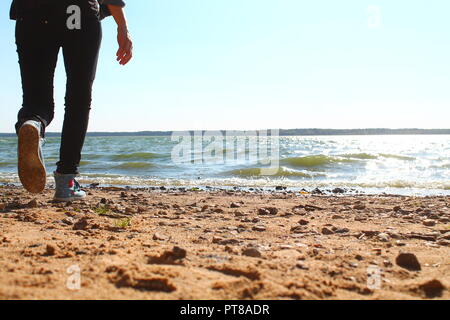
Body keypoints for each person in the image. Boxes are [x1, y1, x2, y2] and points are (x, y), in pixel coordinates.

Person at [10, 0, 133, 201]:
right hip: (80, 13)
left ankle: (32, 123)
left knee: (36, 98)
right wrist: (122, 28)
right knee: (78, 99)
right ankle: (66, 182)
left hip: (32, 12)